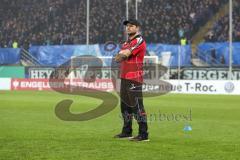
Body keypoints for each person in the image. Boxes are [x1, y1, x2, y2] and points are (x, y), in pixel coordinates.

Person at [114, 19, 149, 142]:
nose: (128, 28)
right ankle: (127, 131)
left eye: (131, 26)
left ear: (137, 28)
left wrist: (123, 54)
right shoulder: (126, 42)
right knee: (125, 107)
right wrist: (122, 54)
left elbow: (123, 56)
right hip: (124, 77)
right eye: (127, 26)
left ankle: (144, 134)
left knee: (137, 107)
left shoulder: (139, 40)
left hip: (134, 78)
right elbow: (117, 58)